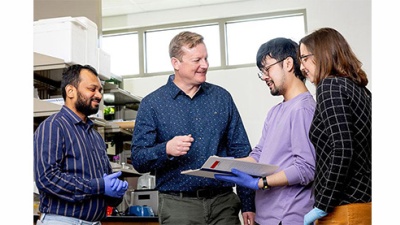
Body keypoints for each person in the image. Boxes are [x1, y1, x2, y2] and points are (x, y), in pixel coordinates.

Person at [130, 31, 255, 225]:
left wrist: (248, 203)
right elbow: (138, 158)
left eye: (206, 58)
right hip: (178, 206)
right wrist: (166, 150)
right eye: (197, 60)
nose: (204, 65)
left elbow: (241, 152)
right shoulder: (152, 104)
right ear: (176, 63)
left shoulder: (222, 98)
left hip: (223, 204)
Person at [215, 37, 317, 225]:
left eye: (267, 68)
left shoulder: (302, 109)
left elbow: (306, 168)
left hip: (288, 216)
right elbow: (259, 155)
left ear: (288, 63)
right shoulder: (276, 111)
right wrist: (227, 165)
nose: (264, 76)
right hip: (266, 216)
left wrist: (261, 183)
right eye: (261, 71)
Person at [34, 64, 129, 224]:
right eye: (92, 89)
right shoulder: (54, 126)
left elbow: (102, 183)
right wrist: (100, 185)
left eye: (100, 90)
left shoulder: (95, 135)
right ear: (70, 91)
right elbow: (47, 178)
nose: (98, 95)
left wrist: (115, 194)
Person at [299, 27, 372, 225]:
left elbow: (342, 148)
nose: (302, 67)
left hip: (343, 208)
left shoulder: (329, 86)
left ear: (322, 54)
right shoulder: (361, 90)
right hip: (365, 204)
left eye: (304, 58)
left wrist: (322, 204)